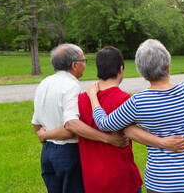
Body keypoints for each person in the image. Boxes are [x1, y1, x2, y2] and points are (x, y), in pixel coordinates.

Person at [87, 39, 184, 193]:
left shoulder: (137, 103)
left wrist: (93, 95)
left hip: (162, 181)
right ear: (168, 67)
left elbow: (104, 124)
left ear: (142, 72)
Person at [77, 46, 184, 193]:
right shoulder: (125, 99)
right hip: (121, 177)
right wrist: (164, 142)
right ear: (121, 69)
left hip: (92, 177)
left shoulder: (81, 99)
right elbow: (132, 132)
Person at [31, 43, 129, 193]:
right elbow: (71, 125)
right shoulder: (71, 86)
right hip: (68, 153)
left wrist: (45, 137)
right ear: (74, 65)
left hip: (48, 154)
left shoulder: (44, 83)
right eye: (84, 61)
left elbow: (36, 122)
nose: (85, 65)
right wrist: (108, 139)